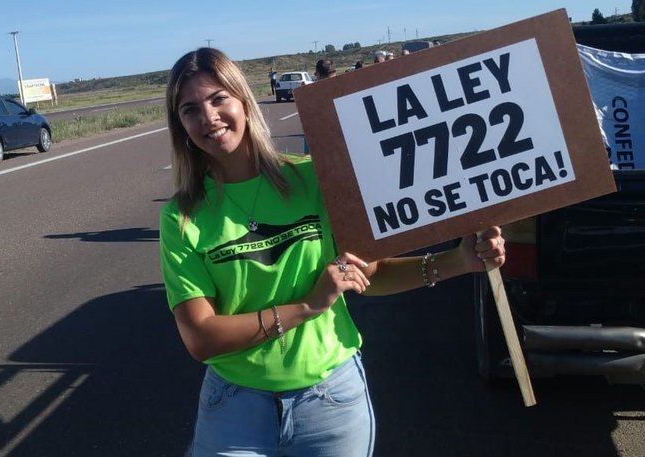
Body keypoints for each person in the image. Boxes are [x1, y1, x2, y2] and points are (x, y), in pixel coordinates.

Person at [159, 47, 506, 457]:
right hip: (235, 405)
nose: (209, 118)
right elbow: (201, 337)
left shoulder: (313, 178)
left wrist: (457, 261)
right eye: (190, 110)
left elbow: (364, 275)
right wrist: (307, 306)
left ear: (243, 101)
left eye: (219, 99)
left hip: (329, 400)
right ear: (180, 125)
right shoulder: (182, 217)